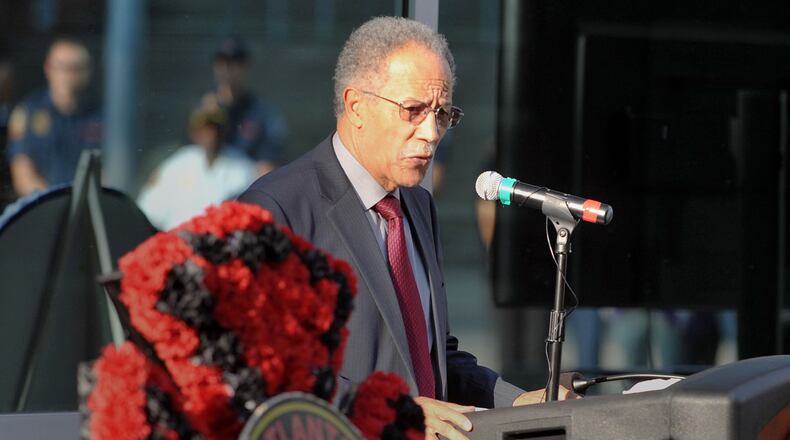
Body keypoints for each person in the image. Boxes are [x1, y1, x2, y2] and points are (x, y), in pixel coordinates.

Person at [239, 17, 573, 439]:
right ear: (356, 106)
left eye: (442, 114)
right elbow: (262, 370)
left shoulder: (417, 204)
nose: (431, 133)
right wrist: (390, 411)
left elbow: (432, 358)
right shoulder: (277, 207)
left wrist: (515, 400)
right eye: (413, 111)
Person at [6, 37, 101, 197]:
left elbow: (110, 172)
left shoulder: (102, 115)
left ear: (88, 71)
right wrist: (55, 203)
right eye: (62, 67)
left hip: (90, 206)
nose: (68, 75)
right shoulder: (28, 113)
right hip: (41, 207)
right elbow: (23, 173)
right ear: (48, 68)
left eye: (76, 68)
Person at [138, 108, 257, 230]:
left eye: (214, 129)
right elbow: (150, 210)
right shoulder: (177, 165)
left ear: (224, 131)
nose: (211, 135)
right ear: (194, 133)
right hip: (177, 242)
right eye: (205, 129)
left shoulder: (242, 167)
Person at [200, 36, 286, 176]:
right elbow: (190, 158)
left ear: (246, 66)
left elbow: (269, 162)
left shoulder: (260, 112)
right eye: (222, 61)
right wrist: (207, 122)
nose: (227, 68)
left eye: (235, 61)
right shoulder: (203, 109)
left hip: (245, 185)